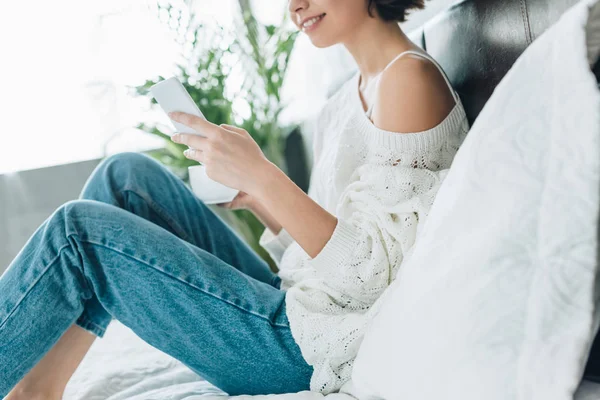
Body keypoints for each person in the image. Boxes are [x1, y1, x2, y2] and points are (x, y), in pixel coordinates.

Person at [0, 0, 471, 398]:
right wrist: (258, 198)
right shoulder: (350, 95)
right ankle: (37, 391)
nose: (295, 6)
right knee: (126, 178)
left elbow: (371, 279)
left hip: (312, 345)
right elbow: (323, 259)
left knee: (76, 232)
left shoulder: (408, 81)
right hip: (304, 305)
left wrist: (265, 177)